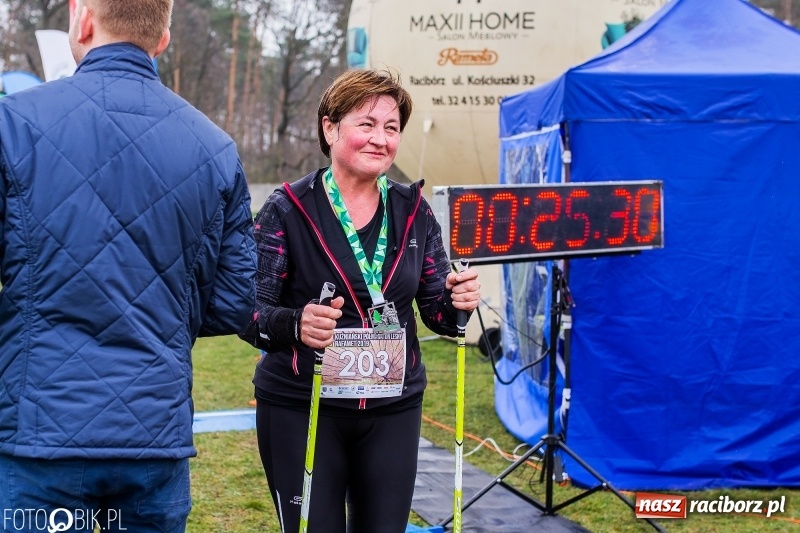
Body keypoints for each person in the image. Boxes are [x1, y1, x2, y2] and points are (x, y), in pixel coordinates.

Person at [0, 1, 256, 532]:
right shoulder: (215, 148)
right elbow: (233, 303)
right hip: (151, 431)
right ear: (162, 39)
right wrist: (163, 313)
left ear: (83, 18)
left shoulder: (13, 125)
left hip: (41, 428)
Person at [239, 68, 480, 533]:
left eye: (391, 128)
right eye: (366, 124)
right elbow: (247, 312)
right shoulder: (287, 208)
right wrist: (296, 324)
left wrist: (458, 301)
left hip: (393, 407)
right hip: (303, 406)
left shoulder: (413, 210)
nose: (380, 139)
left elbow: (438, 315)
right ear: (330, 128)